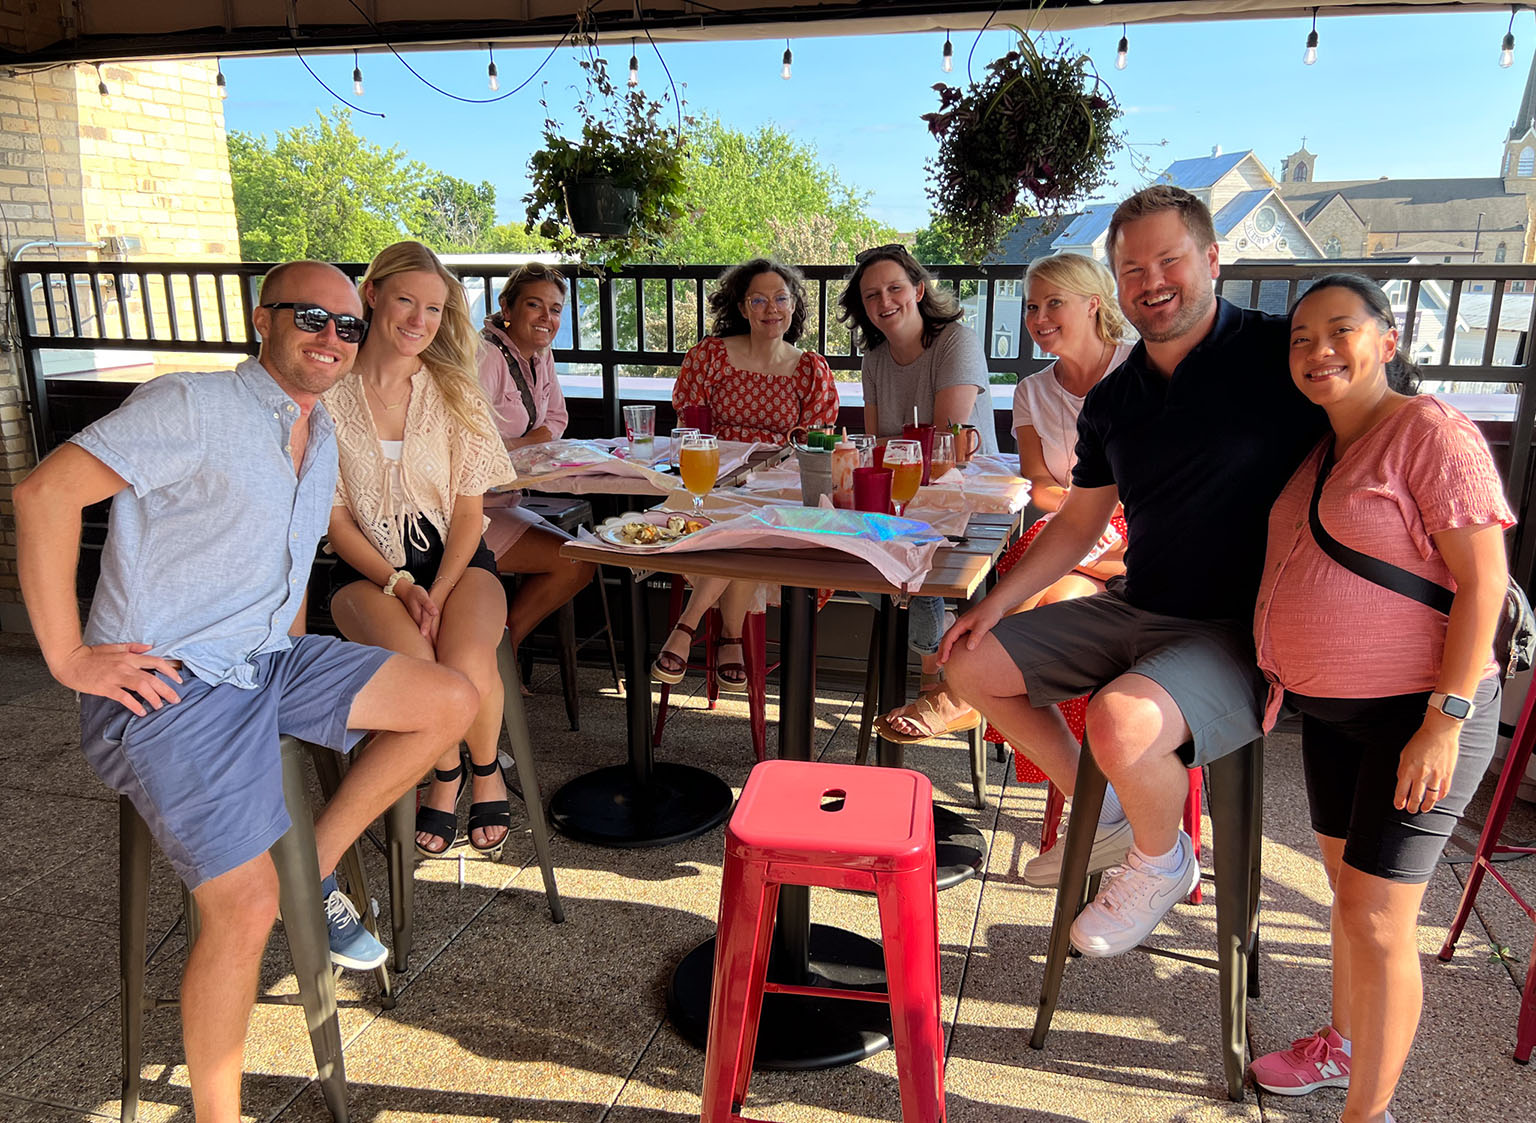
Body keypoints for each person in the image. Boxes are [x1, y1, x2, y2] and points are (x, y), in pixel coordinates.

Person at [14, 260, 479, 1123]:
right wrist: (71, 657)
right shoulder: (190, 405)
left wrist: (304, 660)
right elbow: (44, 494)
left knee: (450, 701)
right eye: (311, 317)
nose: (330, 338)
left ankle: (319, 859)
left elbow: (287, 562)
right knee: (247, 908)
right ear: (259, 318)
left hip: (269, 659)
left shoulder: (321, 434)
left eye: (346, 325)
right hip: (171, 684)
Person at [942, 185, 1327, 956]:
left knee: (1120, 717)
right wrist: (994, 603)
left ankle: (1163, 861)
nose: (1151, 280)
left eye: (1169, 259)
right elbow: (1079, 520)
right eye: (1131, 268)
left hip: (1234, 628)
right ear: (1114, 284)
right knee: (968, 660)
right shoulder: (1117, 396)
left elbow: (1377, 419)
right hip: (1137, 603)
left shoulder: (1278, 354)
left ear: (1212, 260)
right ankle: (1117, 808)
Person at [1247, 275, 1511, 1123]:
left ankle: (1369, 1115)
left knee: (1378, 918)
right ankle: (1343, 1044)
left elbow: (1484, 582)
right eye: (1300, 338)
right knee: (1347, 897)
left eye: (1340, 331)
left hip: (1422, 715)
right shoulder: (1324, 445)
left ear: (1387, 341)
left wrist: (1447, 718)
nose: (1318, 350)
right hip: (1334, 715)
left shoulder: (1429, 431)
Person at [888, 252, 1134, 747]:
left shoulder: (1138, 368)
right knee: (1059, 592)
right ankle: (978, 699)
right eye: (1031, 306)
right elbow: (1038, 483)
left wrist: (1103, 514)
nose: (1039, 318)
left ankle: (961, 693)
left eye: (1053, 304)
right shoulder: (1031, 390)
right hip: (1073, 521)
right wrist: (1082, 509)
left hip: (1139, 528)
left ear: (1092, 304)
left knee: (1058, 587)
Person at [323, 241, 517, 860]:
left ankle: (482, 768)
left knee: (465, 658)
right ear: (372, 293)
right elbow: (335, 522)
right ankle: (444, 773)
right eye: (406, 300)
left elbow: (469, 513)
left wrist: (433, 588)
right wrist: (400, 585)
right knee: (419, 669)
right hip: (363, 569)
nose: (418, 321)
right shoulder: (327, 396)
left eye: (433, 309)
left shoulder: (455, 392)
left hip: (457, 563)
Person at [837, 243, 998, 742]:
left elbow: (945, 442)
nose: (884, 301)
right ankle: (937, 652)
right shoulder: (874, 360)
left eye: (894, 288)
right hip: (903, 501)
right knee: (843, 549)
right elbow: (871, 447)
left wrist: (894, 446)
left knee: (908, 554)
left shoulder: (956, 341)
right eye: (871, 295)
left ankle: (936, 671)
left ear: (918, 291)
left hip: (970, 504)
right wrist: (892, 447)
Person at [655, 258, 839, 687]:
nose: (770, 308)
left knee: (754, 522)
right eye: (758, 299)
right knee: (737, 520)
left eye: (780, 298)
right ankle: (730, 638)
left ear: (794, 306)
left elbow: (814, 445)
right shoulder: (710, 356)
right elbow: (689, 423)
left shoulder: (811, 370)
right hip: (714, 478)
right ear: (742, 306)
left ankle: (687, 625)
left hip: (779, 487)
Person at [477, 263, 597, 667]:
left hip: (506, 499)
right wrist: (529, 441)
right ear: (506, 307)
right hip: (469, 510)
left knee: (584, 560)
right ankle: (498, 660)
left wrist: (525, 443)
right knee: (577, 562)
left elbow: (557, 419)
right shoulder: (485, 356)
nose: (547, 318)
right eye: (535, 305)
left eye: (556, 309)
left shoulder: (540, 354)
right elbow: (473, 442)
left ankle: (497, 656)